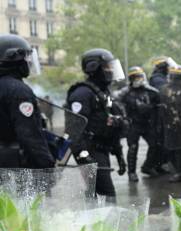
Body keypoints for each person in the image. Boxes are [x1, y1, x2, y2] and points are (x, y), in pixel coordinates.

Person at [67, 48, 127, 200]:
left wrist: (119, 154)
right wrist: (83, 157)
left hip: (102, 150)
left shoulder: (103, 93)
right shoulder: (82, 94)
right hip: (91, 152)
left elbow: (111, 124)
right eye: (107, 66)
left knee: (98, 197)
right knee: (106, 197)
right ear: (94, 67)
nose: (111, 70)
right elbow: (74, 130)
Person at [0, 34, 54, 169]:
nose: (29, 62)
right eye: (26, 57)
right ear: (13, 58)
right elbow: (29, 136)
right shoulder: (18, 91)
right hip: (14, 169)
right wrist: (47, 167)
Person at [118, 66, 162, 182]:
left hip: (147, 124)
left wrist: (155, 119)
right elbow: (117, 104)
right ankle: (131, 172)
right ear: (131, 79)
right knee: (133, 148)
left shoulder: (151, 91)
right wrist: (124, 119)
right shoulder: (125, 93)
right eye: (135, 77)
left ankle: (147, 166)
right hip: (133, 124)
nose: (138, 79)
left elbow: (158, 106)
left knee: (155, 145)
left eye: (139, 77)